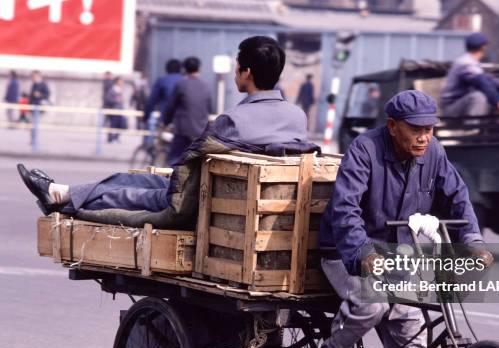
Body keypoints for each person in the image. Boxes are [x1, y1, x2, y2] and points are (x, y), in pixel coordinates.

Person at [310, 90, 493, 348]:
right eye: (416, 129)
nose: (424, 137)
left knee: (412, 323)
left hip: (397, 256)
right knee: (373, 303)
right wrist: (363, 252)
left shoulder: (434, 152)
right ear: (393, 126)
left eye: (429, 129)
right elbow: (345, 209)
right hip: (346, 252)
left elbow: (457, 198)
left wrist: (474, 242)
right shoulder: (365, 149)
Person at [17, 36, 314, 226]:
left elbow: (186, 166)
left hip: (198, 203)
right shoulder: (298, 119)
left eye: (238, 67)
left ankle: (60, 195)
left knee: (128, 192)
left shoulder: (233, 120)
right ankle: (61, 190)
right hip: (235, 199)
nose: (236, 72)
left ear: (246, 72)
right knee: (134, 179)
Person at [440, 33, 499, 117]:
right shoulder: (465, 62)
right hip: (451, 108)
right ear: (483, 47)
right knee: (478, 97)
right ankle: (473, 128)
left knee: (490, 97)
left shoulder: (471, 62)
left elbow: (487, 79)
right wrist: (498, 101)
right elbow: (481, 82)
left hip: (460, 104)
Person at [162, 56, 213, 165]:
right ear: (199, 69)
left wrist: (166, 122)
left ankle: (171, 179)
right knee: (195, 161)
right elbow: (210, 108)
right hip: (200, 131)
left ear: (184, 69)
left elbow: (171, 106)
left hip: (183, 130)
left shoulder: (181, 84)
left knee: (174, 158)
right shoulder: (206, 86)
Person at [143, 59, 182, 124]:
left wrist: (146, 116)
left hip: (165, 120)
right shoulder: (184, 81)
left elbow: (152, 100)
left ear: (167, 69)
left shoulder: (162, 81)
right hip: (182, 122)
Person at [104, 77, 127, 143]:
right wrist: (116, 100)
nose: (122, 83)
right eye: (121, 81)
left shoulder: (121, 90)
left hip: (120, 110)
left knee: (120, 124)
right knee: (112, 124)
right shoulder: (112, 90)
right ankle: (110, 138)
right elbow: (108, 99)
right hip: (114, 110)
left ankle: (116, 137)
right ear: (117, 82)